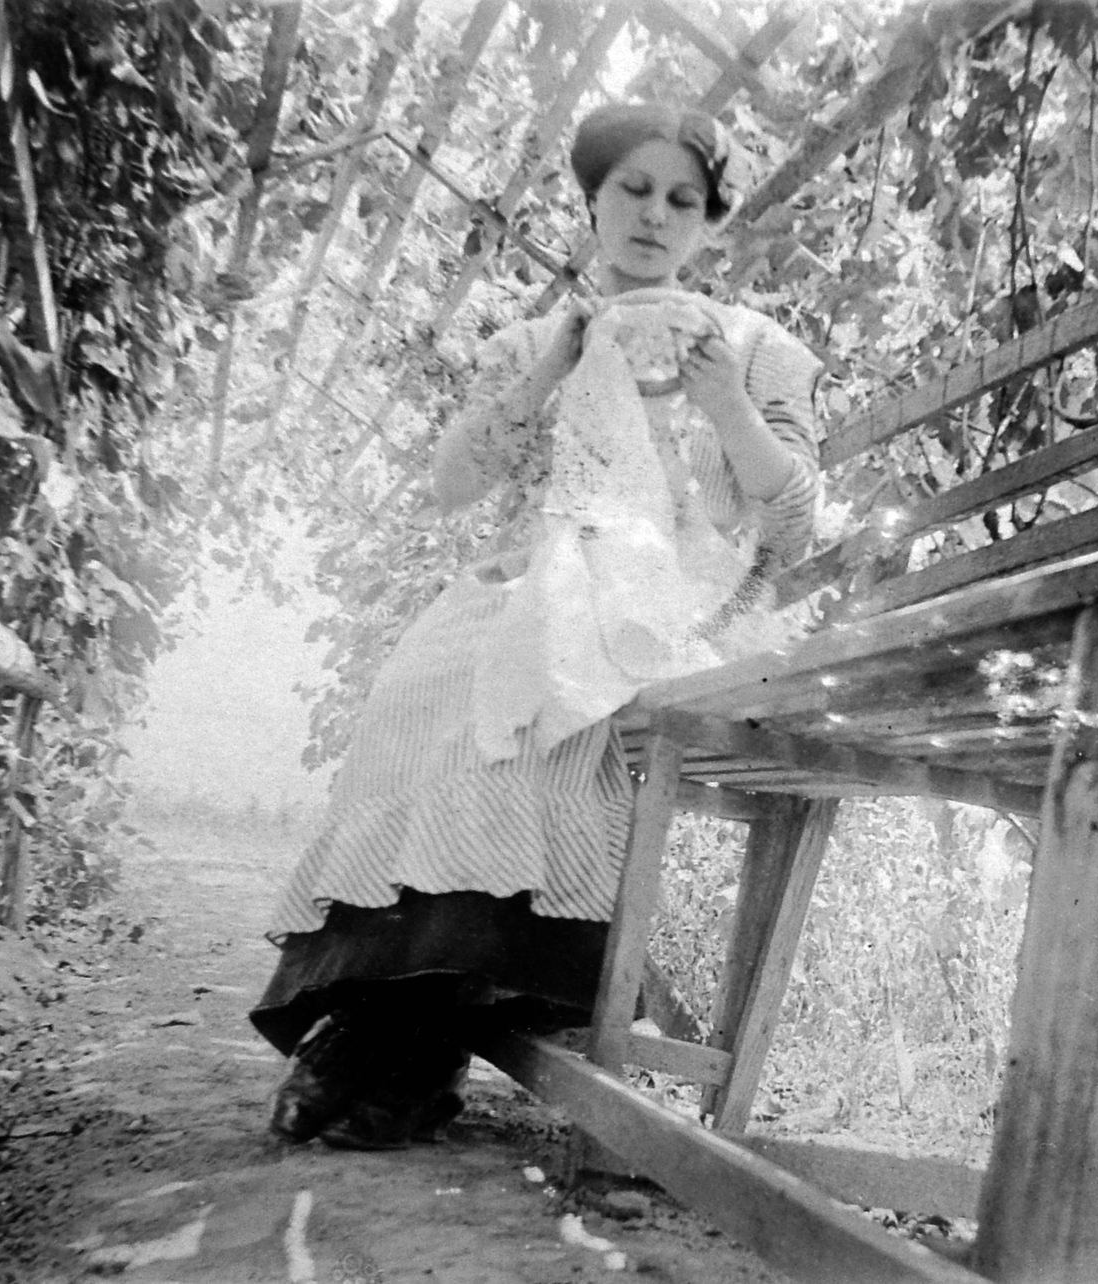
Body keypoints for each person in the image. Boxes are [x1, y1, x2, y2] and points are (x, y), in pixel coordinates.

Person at [249, 101, 822, 1149]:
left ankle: (389, 1049)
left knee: (547, 711)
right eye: (632, 192)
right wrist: (553, 366)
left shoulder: (752, 347)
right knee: (420, 689)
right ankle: (403, 1033)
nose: (654, 216)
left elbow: (791, 526)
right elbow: (451, 484)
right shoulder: (534, 336)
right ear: (594, 203)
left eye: (681, 201)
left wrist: (727, 403)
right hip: (524, 587)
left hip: (668, 608)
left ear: (707, 223)